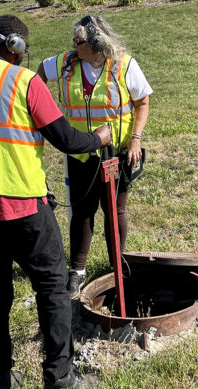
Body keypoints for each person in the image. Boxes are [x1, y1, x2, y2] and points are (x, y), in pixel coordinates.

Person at [0, 15, 111, 389]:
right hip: (24, 206)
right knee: (52, 289)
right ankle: (60, 380)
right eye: (23, 50)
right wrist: (98, 138)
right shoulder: (24, 81)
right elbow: (65, 138)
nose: (24, 57)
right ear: (13, 46)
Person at [37, 15, 153, 298]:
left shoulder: (125, 65)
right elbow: (38, 74)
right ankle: (77, 270)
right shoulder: (66, 62)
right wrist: (40, 106)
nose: (74, 47)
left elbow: (143, 101)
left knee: (115, 210)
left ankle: (117, 266)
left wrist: (135, 139)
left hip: (116, 155)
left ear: (98, 43)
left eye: (79, 42)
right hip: (80, 154)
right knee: (82, 212)